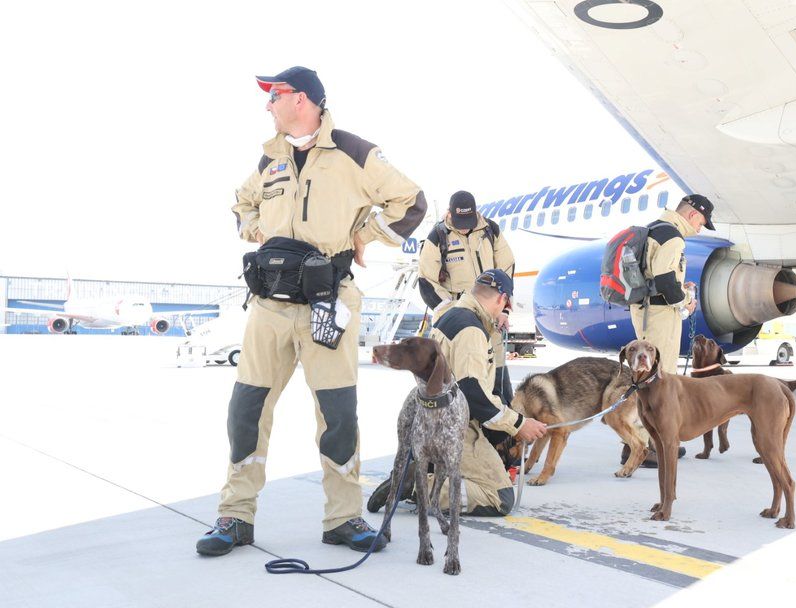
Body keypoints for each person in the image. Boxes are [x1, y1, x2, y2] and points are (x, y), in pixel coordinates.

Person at [196, 66, 427, 556]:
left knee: (338, 414)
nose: (267, 105)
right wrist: (259, 234)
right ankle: (235, 516)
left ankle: (343, 518)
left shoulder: (354, 152)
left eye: (273, 95)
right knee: (246, 410)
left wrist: (365, 237)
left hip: (330, 301)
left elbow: (411, 201)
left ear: (301, 99)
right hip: (270, 306)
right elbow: (241, 206)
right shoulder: (269, 160)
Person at [368, 269, 547, 516]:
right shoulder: (471, 330)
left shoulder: (451, 315)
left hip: (429, 416)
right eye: (505, 306)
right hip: (451, 425)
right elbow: (472, 392)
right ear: (501, 299)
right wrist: (518, 424)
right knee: (499, 498)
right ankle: (416, 487)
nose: (502, 313)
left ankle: (424, 469)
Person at [623, 194, 715, 467]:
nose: (700, 228)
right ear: (692, 215)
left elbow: (658, 276)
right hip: (661, 314)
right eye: (702, 222)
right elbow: (664, 279)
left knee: (644, 377)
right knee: (660, 379)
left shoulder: (653, 228)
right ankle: (652, 446)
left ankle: (635, 444)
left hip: (646, 310)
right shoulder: (673, 236)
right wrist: (687, 300)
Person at [417, 191, 516, 399]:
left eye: (468, 220)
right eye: (460, 221)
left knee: (498, 385)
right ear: (450, 214)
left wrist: (503, 309)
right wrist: (452, 313)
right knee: (463, 384)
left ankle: (504, 428)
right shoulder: (438, 236)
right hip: (459, 322)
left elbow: (506, 268)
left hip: (490, 318)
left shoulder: (491, 231)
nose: (464, 226)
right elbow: (427, 281)